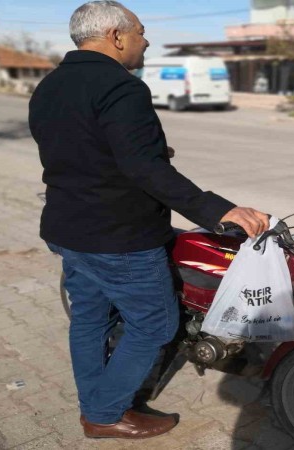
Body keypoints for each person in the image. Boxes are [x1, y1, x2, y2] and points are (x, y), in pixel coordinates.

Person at [29, 1, 269, 439]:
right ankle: (104, 414)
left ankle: (96, 405)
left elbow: (78, 149)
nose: (146, 40)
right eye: (140, 31)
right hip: (117, 237)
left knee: (90, 320)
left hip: (68, 229)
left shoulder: (50, 86)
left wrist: (142, 156)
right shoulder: (121, 87)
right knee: (155, 323)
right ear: (116, 36)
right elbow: (144, 169)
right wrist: (221, 210)